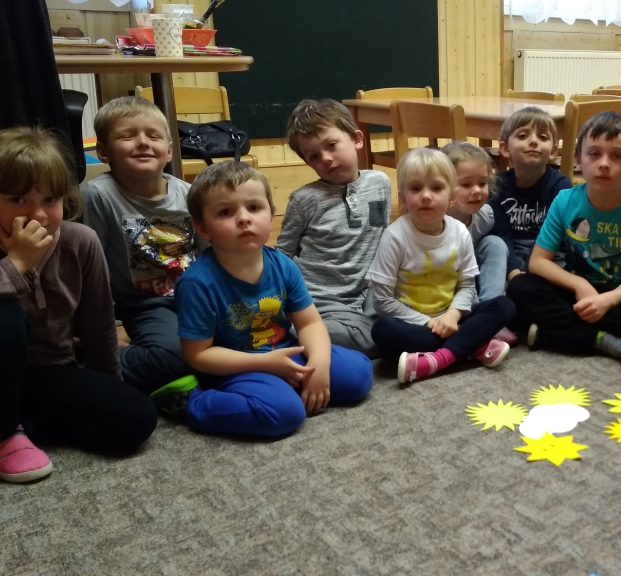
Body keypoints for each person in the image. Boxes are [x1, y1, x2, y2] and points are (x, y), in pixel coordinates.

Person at [0, 127, 156, 483]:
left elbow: (99, 326)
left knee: (136, 417)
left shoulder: (80, 242)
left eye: (50, 200)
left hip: (50, 373)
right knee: (6, 318)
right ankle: (7, 431)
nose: (38, 214)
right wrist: (16, 264)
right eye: (18, 199)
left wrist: (109, 388)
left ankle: (26, 424)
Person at [173, 162, 373, 438]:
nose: (244, 218)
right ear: (203, 229)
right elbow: (199, 355)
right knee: (284, 413)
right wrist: (265, 363)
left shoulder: (282, 265)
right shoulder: (196, 284)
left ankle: (285, 386)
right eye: (226, 212)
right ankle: (191, 402)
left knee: (358, 375)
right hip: (234, 368)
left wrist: (319, 363)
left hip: (284, 352)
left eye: (254, 207)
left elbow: (310, 324)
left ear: (271, 214)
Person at [506, 111, 621, 366]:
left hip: (617, 297)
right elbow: (538, 262)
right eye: (594, 154)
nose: (604, 163)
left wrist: (607, 301)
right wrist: (578, 285)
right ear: (577, 159)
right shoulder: (565, 201)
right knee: (520, 287)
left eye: (617, 156)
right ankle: (605, 341)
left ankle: (554, 332)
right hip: (574, 293)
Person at [368, 148, 516, 385]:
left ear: (451, 196)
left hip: (453, 319)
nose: (426, 196)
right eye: (416, 188)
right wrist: (429, 322)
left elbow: (467, 286)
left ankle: (438, 359)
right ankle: (473, 345)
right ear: (403, 197)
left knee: (504, 306)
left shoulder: (460, 232)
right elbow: (382, 301)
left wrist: (452, 316)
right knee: (382, 330)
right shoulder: (394, 237)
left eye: (436, 188)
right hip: (414, 324)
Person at [81, 96, 197, 397]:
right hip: (145, 305)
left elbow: (211, 255)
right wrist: (110, 329)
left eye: (153, 136)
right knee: (176, 356)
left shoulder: (189, 194)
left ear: (169, 150)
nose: (143, 142)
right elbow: (90, 271)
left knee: (254, 335)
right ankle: (89, 361)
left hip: (195, 297)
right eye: (128, 136)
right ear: (103, 151)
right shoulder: (98, 196)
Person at [277, 99, 391, 357]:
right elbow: (282, 256)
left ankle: (324, 339)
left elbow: (383, 235)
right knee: (377, 338)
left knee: (403, 318)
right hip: (322, 301)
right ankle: (299, 334)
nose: (326, 159)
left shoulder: (380, 183)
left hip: (369, 294)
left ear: (357, 139)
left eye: (331, 145)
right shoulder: (304, 200)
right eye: (314, 156)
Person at [489, 106, 572, 281]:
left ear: (553, 151)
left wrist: (528, 272)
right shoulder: (497, 185)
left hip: (547, 253)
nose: (533, 141)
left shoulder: (560, 187)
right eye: (522, 136)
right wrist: (513, 271)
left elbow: (552, 238)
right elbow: (501, 234)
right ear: (505, 148)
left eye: (542, 137)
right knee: (491, 249)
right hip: (510, 251)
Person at [442, 141, 508, 302]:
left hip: (470, 273)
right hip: (440, 280)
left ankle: (491, 304)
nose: (477, 190)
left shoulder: (486, 215)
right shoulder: (436, 220)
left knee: (495, 243)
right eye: (466, 184)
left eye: (483, 183)